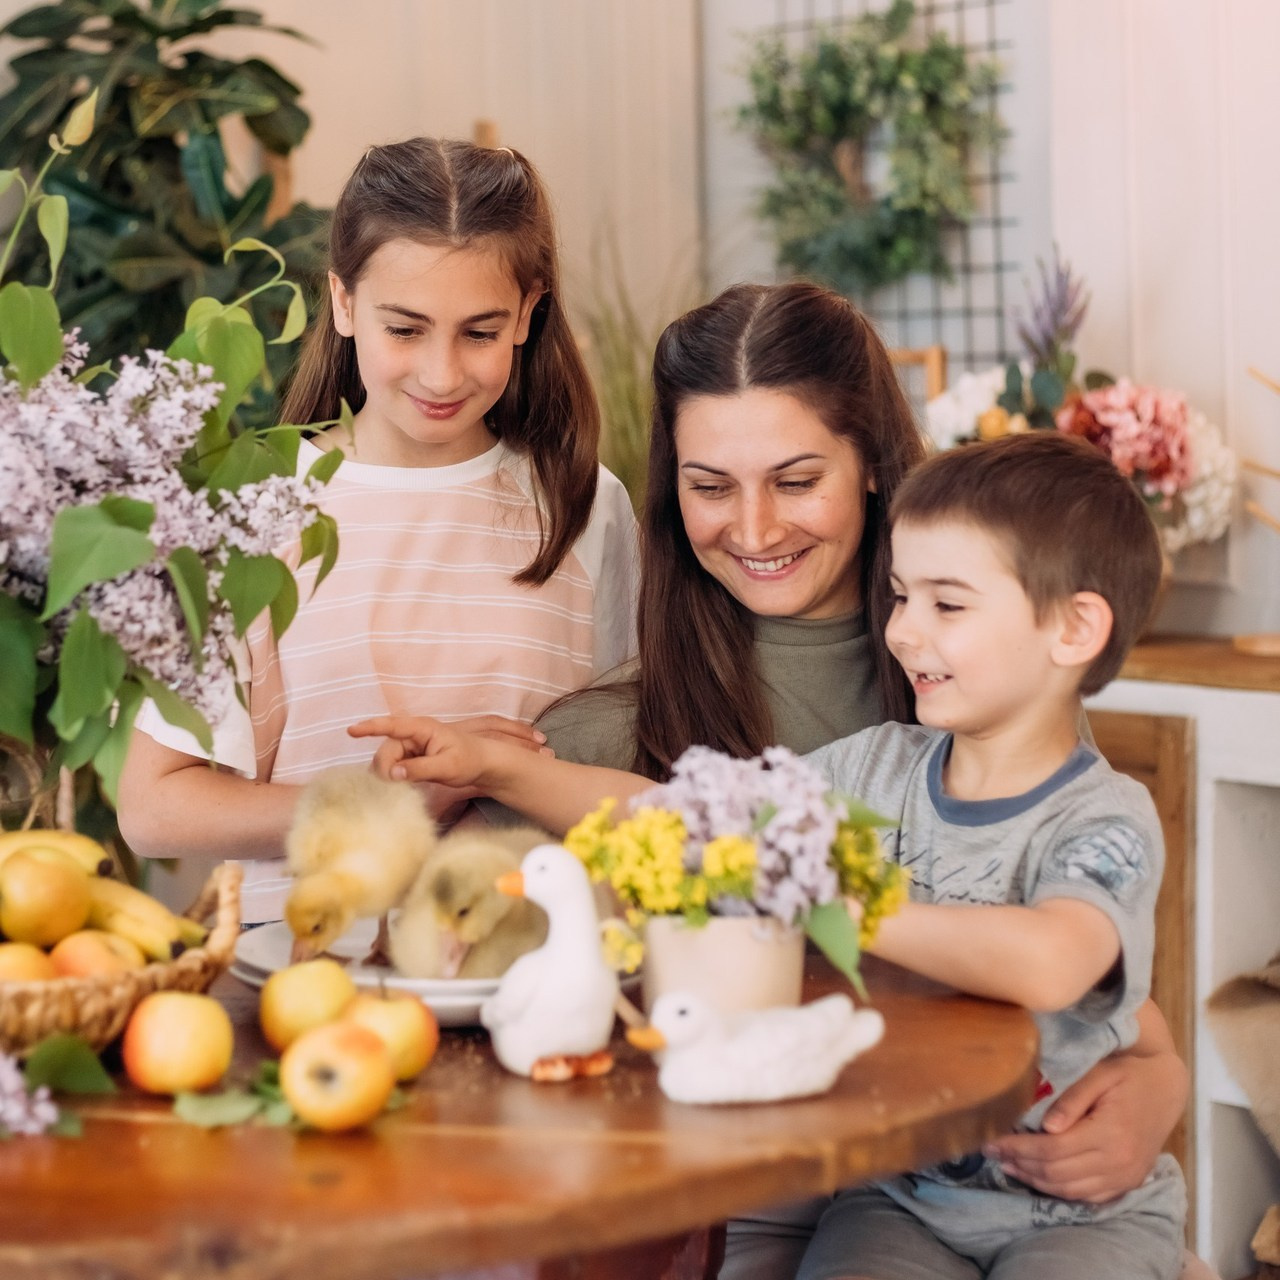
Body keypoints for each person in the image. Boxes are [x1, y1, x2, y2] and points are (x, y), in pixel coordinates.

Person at [348, 282, 1189, 1271]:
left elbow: (1071, 972)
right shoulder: (618, 728)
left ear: (873, 465)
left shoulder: (973, 688)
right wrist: (502, 769)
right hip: (789, 1210)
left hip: (1034, 1196)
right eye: (709, 485)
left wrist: (1156, 1083)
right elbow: (676, 822)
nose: (751, 526)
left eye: (794, 479)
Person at [117, 137, 638, 924]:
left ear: (529, 315)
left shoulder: (585, 507)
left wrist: (498, 777)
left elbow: (628, 767)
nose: (441, 373)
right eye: (406, 329)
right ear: (344, 302)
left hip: (535, 968)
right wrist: (393, 807)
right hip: (303, 976)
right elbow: (155, 808)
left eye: (480, 331)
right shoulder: (256, 504)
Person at [786, 431, 1184, 1279]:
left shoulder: (1106, 818)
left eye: (947, 604)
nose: (902, 632)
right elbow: (689, 815)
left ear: (1073, 629)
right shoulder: (873, 770)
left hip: (1087, 1219)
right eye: (899, 597)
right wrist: (513, 769)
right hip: (899, 1201)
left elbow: (1050, 965)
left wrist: (848, 904)